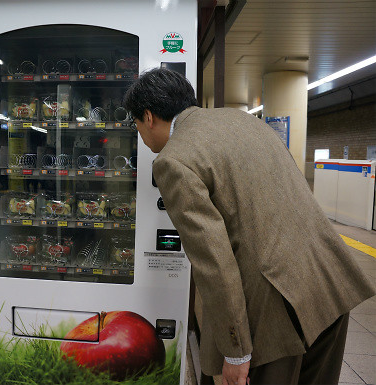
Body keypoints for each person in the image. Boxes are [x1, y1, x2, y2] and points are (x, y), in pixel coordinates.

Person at [124, 68, 376, 385]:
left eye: (136, 125)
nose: (141, 136)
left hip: (275, 315)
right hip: (328, 284)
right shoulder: (242, 121)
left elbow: (214, 264)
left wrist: (236, 352)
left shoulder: (174, 160)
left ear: (148, 117)